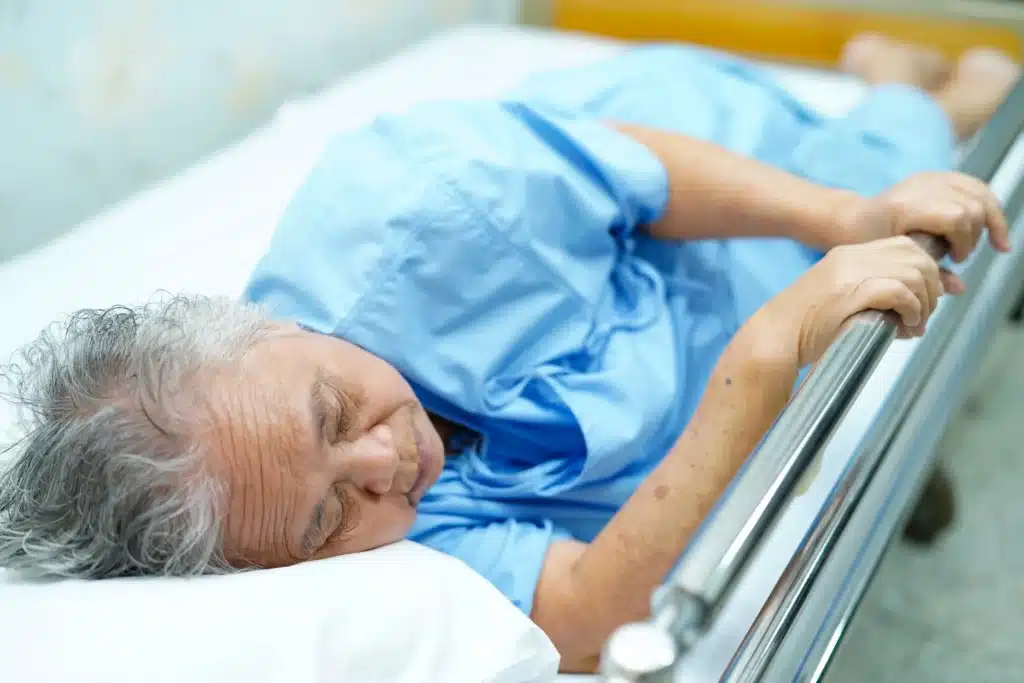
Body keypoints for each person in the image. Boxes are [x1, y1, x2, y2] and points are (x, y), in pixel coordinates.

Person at [0, 33, 1018, 671]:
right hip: (713, 342)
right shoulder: (345, 535)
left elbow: (643, 176)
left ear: (269, 325)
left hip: (691, 194)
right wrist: (760, 357)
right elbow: (584, 610)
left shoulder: (413, 198)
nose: (383, 463)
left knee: (899, 163)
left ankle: (901, 81)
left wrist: (845, 217)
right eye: (325, 513)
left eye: (333, 411)